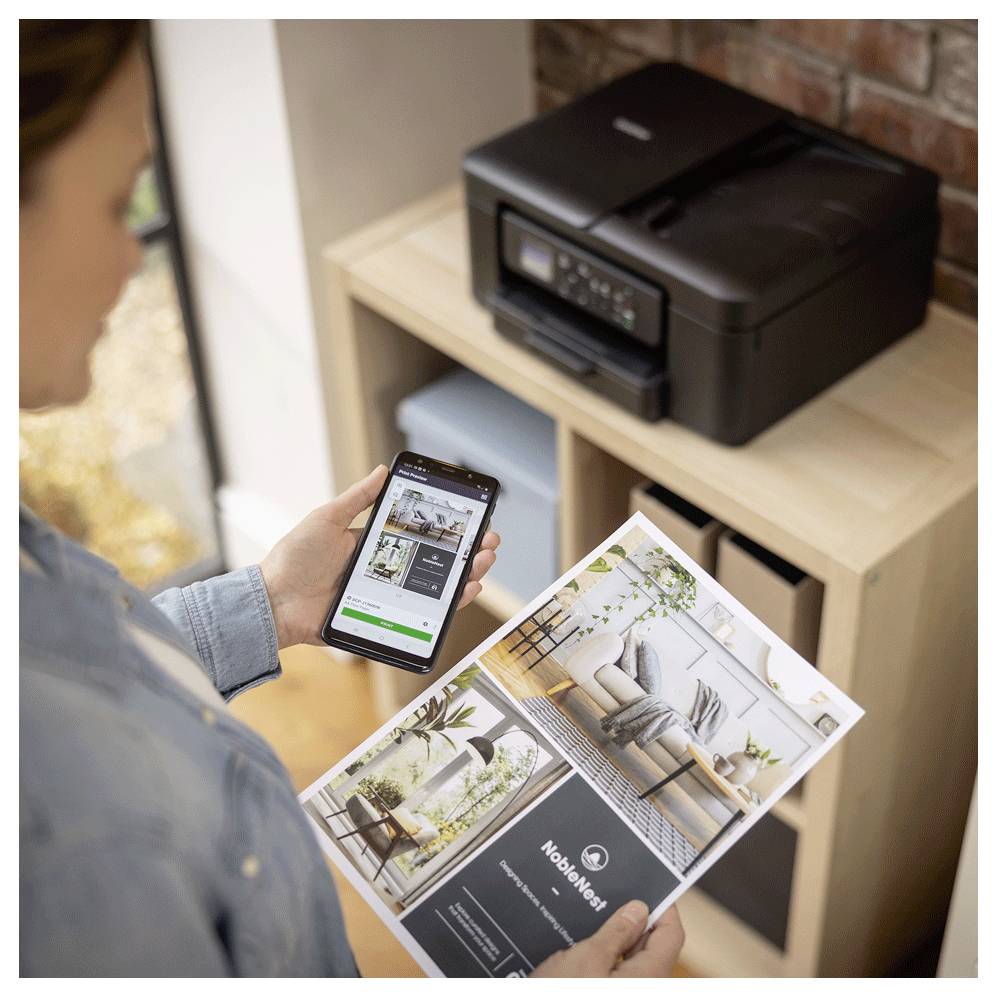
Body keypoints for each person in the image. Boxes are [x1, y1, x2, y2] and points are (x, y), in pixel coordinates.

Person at [19, 20, 684, 977]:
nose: (135, 256)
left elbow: (105, 660)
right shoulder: (74, 855)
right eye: (122, 199)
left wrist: (269, 604)